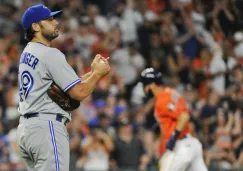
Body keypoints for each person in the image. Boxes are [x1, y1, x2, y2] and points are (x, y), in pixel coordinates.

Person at [16, 4, 110, 171]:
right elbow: (79, 92)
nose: (55, 22)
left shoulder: (28, 52)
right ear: (36, 26)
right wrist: (98, 75)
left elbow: (67, 85)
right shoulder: (50, 54)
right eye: (49, 19)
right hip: (47, 126)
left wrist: (93, 72)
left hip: (27, 130)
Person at [140, 68, 208, 171]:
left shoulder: (162, 100)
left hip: (181, 146)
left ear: (152, 85)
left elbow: (184, 116)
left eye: (145, 85)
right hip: (192, 144)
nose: (144, 89)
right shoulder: (170, 92)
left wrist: (173, 136)